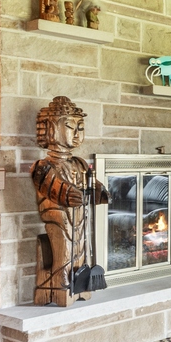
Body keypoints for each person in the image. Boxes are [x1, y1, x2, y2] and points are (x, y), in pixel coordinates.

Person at [31, 96, 108, 306]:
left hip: (80, 217)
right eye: (70, 126)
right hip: (58, 218)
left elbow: (92, 183)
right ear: (51, 128)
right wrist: (68, 193)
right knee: (65, 248)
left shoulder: (80, 163)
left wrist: (99, 191)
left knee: (81, 249)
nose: (76, 134)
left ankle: (81, 284)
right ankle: (61, 284)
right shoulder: (43, 166)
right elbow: (52, 186)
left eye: (80, 128)